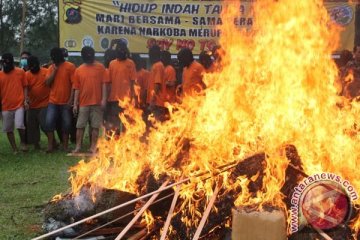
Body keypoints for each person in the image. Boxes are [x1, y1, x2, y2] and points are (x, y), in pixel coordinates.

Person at [72, 46, 107, 153]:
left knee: (95, 127)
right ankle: (78, 147)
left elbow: (104, 84)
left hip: (97, 102)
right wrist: (75, 104)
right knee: (80, 126)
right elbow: (77, 88)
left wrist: (104, 99)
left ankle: (93, 147)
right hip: (83, 103)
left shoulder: (101, 67)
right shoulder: (78, 70)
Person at [45, 47, 76, 152]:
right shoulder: (50, 68)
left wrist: (71, 100)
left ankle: (65, 146)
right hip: (53, 101)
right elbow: (47, 83)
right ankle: (50, 146)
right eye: (52, 57)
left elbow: (74, 85)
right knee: (49, 123)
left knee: (67, 124)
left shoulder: (70, 66)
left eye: (55, 56)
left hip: (65, 102)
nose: (54, 59)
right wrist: (54, 71)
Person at [104, 42, 136, 135]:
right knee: (115, 123)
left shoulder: (131, 63)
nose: (121, 52)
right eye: (119, 50)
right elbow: (108, 82)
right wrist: (106, 98)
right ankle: (116, 143)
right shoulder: (112, 64)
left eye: (123, 50)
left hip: (127, 100)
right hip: (114, 99)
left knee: (126, 123)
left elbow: (133, 83)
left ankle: (125, 143)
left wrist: (134, 98)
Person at [0, 53, 28, 153]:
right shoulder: (0, 75)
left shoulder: (20, 72)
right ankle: (14, 149)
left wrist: (25, 99)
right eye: (4, 63)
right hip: (6, 106)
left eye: (8, 63)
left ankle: (23, 142)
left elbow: (25, 86)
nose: (6, 65)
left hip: (19, 104)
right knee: (8, 129)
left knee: (20, 125)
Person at [25, 56, 50, 150]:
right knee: (32, 125)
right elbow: (26, 88)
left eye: (34, 66)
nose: (32, 68)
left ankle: (52, 142)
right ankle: (36, 144)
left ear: (38, 64)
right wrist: (26, 99)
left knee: (44, 125)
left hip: (45, 103)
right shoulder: (27, 74)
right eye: (30, 66)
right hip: (32, 105)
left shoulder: (45, 72)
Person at [147, 45, 167, 122]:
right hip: (156, 103)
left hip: (157, 103)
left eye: (150, 54)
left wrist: (152, 101)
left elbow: (157, 84)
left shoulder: (158, 66)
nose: (149, 57)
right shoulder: (156, 65)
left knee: (157, 128)